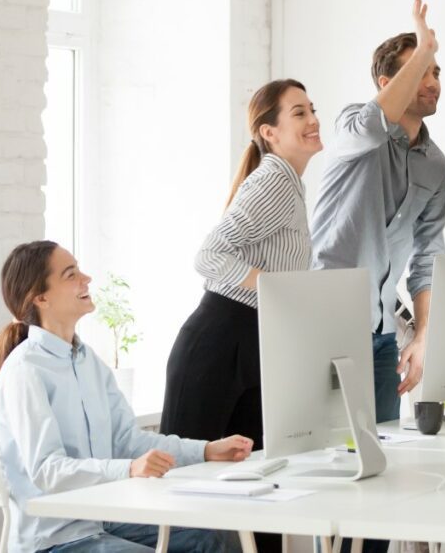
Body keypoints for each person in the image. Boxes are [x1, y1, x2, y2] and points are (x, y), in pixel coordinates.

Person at [0, 241, 252, 552]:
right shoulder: (25, 371)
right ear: (41, 297)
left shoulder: (90, 363)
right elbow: (47, 469)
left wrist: (207, 450)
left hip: (106, 520)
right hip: (55, 538)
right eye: (71, 274)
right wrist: (128, 469)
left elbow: (130, 441)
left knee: (213, 536)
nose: (86, 278)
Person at [160, 79, 321, 553]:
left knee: (261, 487)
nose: (313, 120)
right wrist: (271, 286)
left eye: (312, 109)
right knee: (188, 495)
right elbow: (208, 255)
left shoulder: (289, 184)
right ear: (269, 132)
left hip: (253, 343)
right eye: (299, 113)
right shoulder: (273, 178)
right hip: (217, 342)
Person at [311, 0, 445, 425]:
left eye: (436, 70)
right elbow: (373, 125)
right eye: (421, 69)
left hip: (383, 333)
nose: (433, 81)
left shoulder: (435, 164)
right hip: (325, 325)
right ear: (389, 83)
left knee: (385, 455)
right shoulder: (353, 125)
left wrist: (424, 336)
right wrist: (424, 47)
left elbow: (428, 259)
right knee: (322, 456)